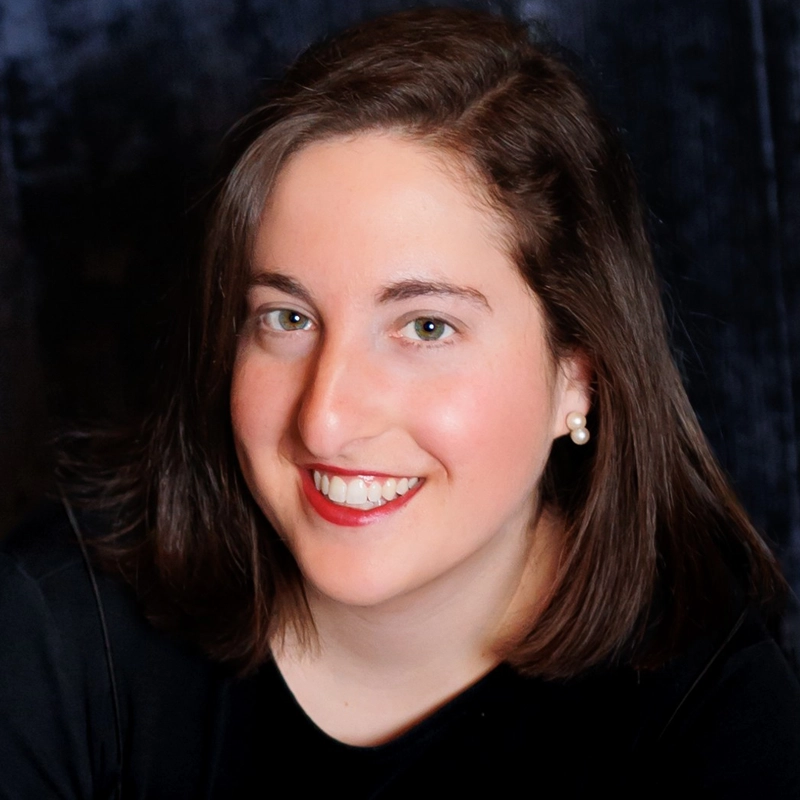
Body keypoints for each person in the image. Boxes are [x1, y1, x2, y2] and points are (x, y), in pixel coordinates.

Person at [2, 7, 799, 798]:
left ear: (577, 378)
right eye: (288, 318)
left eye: (425, 326)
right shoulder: (57, 636)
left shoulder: (713, 713)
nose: (326, 418)